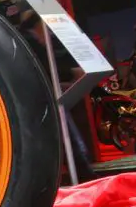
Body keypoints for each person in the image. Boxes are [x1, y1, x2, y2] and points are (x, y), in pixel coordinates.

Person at [17, 11, 96, 182]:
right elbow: (44, 67)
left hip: (42, 97)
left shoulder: (29, 40)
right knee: (64, 135)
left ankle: (80, 172)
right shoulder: (28, 40)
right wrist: (71, 73)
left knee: (61, 136)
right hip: (41, 98)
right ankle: (83, 173)